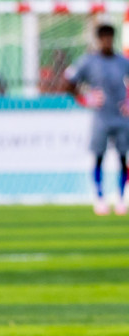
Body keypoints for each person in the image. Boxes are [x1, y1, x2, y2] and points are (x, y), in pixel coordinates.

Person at [64, 23, 129, 215]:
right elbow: (68, 82)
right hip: (101, 118)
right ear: (99, 40)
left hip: (121, 117)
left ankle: (121, 196)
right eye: (103, 38)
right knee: (98, 157)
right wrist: (84, 98)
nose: (107, 41)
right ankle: (99, 197)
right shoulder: (88, 61)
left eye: (110, 37)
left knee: (123, 157)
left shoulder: (122, 61)